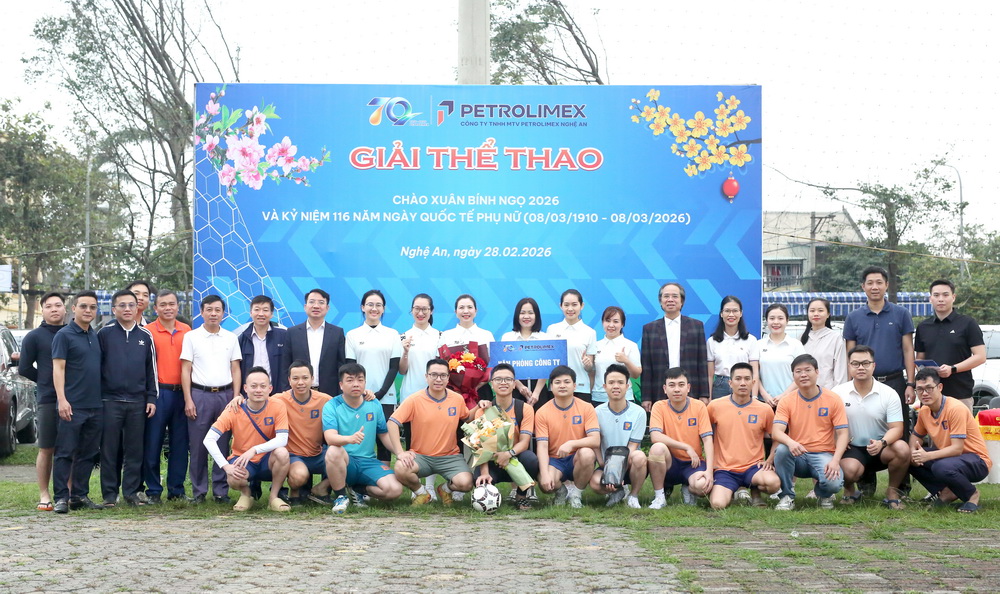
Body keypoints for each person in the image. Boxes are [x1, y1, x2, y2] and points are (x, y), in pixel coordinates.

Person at [388, 358, 479, 505]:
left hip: (449, 457)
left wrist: (480, 406)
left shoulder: (457, 399)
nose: (438, 379)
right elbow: (392, 422)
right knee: (400, 468)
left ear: (448, 378)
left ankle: (444, 489)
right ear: (426, 377)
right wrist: (400, 452)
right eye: (434, 375)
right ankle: (422, 493)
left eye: (443, 375)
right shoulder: (414, 399)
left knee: (466, 484)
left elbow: (467, 418)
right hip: (420, 457)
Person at [98, 289, 157, 508]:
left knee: (135, 450)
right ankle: (109, 494)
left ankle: (131, 492)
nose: (127, 309)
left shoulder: (145, 336)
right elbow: (97, 368)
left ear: (137, 308)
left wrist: (152, 397)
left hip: (137, 402)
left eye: (131, 305)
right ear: (114, 309)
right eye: (122, 305)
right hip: (109, 401)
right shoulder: (104, 334)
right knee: (109, 450)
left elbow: (152, 370)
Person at [181, 294, 242, 504]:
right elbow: (185, 369)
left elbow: (236, 368)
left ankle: (220, 491)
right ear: (201, 312)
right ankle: (199, 492)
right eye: (209, 309)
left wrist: (235, 397)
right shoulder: (191, 337)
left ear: (223, 313)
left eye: (217, 310)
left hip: (225, 396)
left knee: (223, 444)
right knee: (198, 445)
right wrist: (188, 399)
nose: (213, 314)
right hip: (200, 395)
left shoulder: (231, 338)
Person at [832, 346, 910, 510]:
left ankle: (892, 492)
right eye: (855, 364)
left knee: (902, 449)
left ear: (873, 366)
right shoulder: (837, 393)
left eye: (865, 363)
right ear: (849, 366)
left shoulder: (889, 393)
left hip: (881, 446)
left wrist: (882, 443)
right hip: (852, 448)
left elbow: (897, 428)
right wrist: (838, 440)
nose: (861, 367)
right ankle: (850, 490)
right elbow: (828, 424)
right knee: (849, 471)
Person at [203, 367, 291, 512]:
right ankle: (246, 493)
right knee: (233, 478)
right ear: (245, 388)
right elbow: (209, 439)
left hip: (267, 459)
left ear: (270, 389)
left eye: (263, 386)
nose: (258, 390)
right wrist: (225, 466)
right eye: (253, 386)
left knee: (282, 453)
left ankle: (273, 497)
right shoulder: (234, 409)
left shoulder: (278, 405)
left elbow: (282, 439)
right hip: (243, 460)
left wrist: (254, 450)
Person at [323, 362, 405, 513]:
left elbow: (383, 434)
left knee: (394, 490)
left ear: (365, 383)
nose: (356, 384)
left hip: (368, 461)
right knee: (333, 450)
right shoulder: (332, 405)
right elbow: (330, 438)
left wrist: (400, 453)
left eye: (360, 380)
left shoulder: (374, 404)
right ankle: (341, 496)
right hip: (345, 461)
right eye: (350, 380)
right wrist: (349, 439)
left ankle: (359, 490)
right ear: (341, 385)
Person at [772, 354, 849, 511]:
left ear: (817, 372)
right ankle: (787, 496)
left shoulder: (833, 399)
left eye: (808, 370)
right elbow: (776, 432)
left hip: (823, 454)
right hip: (797, 454)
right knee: (782, 450)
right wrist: (791, 442)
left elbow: (843, 433)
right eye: (798, 371)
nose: (803, 375)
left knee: (834, 483)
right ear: (793, 375)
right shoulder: (787, 401)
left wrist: (835, 460)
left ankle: (824, 494)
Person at [909, 368, 992, 513]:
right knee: (907, 457)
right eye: (920, 389)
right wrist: (912, 452)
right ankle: (947, 491)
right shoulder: (924, 411)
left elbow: (957, 449)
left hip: (977, 460)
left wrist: (927, 456)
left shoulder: (955, 408)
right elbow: (916, 436)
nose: (924, 393)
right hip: (950, 458)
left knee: (940, 467)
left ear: (940, 387)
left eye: (929, 388)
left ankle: (972, 495)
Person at [843, 266, 916, 427]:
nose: (874, 287)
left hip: (895, 381)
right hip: (863, 383)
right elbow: (850, 355)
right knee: (863, 427)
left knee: (898, 430)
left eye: (879, 282)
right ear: (863, 286)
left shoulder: (901, 313)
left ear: (886, 285)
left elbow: (908, 350)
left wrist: (911, 384)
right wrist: (850, 385)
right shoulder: (853, 317)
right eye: (870, 283)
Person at [51, 291, 104, 513]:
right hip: (72, 405)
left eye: (92, 307)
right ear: (74, 308)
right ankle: (61, 498)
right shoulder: (63, 335)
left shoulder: (95, 335)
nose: (88, 311)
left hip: (96, 406)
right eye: (83, 306)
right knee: (65, 453)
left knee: (88, 454)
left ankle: (79, 496)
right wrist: (62, 400)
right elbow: (58, 368)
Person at [707, 363, 780, 509]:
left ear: (753, 383)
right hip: (724, 469)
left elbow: (777, 437)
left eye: (747, 379)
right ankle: (730, 490)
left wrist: (769, 460)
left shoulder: (764, 409)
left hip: (753, 467)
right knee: (717, 504)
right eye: (738, 379)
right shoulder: (715, 406)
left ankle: (755, 491)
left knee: (773, 484)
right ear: (730, 383)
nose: (742, 383)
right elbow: (703, 435)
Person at [18, 291, 67, 511]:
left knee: (71, 448)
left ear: (65, 308)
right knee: (47, 447)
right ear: (42, 310)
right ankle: (44, 493)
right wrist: (46, 380)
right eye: (49, 306)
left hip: (75, 398)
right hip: (48, 398)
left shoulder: (74, 332)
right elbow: (24, 368)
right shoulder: (34, 336)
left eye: (58, 305)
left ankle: (69, 492)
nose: (54, 309)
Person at [143, 289, 191, 503]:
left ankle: (176, 490)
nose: (168, 308)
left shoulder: (187, 331)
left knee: (180, 444)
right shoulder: (148, 332)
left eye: (172, 304)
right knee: (153, 443)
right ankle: (153, 491)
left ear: (178, 306)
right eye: (163, 305)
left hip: (182, 393)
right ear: (155, 308)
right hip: (158, 393)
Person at [345, 289, 402, 463]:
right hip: (358, 396)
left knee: (384, 440)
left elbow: (394, 367)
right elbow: (351, 367)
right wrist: (361, 392)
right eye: (370, 304)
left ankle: (384, 474)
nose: (374, 308)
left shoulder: (392, 334)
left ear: (383, 309)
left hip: (386, 396)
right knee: (359, 437)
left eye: (378, 305)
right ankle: (358, 474)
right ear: (363, 307)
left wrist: (379, 393)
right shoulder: (353, 335)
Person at [473, 363, 540, 510]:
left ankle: (521, 496)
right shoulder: (483, 411)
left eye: (508, 379)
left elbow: (524, 442)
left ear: (514, 384)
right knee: (478, 478)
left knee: (531, 460)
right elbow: (480, 447)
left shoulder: (525, 409)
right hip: (491, 460)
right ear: (492, 384)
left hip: (515, 458)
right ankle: (489, 496)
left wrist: (508, 454)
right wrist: (484, 473)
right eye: (498, 379)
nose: (503, 383)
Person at [914, 279, 986, 411]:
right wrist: (926, 371)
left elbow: (980, 356)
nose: (941, 299)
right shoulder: (923, 327)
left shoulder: (968, 323)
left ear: (953, 297)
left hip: (960, 393)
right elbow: (919, 359)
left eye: (945, 295)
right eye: (936, 295)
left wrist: (952, 369)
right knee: (930, 425)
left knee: (960, 425)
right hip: (930, 395)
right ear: (930, 298)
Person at [647, 367, 714, 509]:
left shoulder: (699, 406)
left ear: (688, 388)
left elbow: (707, 439)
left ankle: (688, 487)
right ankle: (660, 497)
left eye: (681, 385)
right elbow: (655, 436)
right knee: (657, 448)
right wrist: (686, 446)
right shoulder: (659, 406)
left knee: (702, 486)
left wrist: (709, 471)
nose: (676, 389)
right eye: (672, 385)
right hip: (670, 463)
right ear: (665, 389)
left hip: (693, 463)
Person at [534, 365, 600, 508]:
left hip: (576, 458)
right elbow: (542, 446)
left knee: (587, 453)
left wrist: (572, 444)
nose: (562, 385)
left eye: (567, 382)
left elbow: (595, 439)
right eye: (557, 382)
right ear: (551, 387)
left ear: (574, 385)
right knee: (546, 484)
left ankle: (576, 494)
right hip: (555, 460)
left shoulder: (586, 407)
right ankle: (561, 492)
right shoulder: (542, 412)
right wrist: (544, 474)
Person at [399, 293, 443, 499]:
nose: (420, 312)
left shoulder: (440, 336)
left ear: (431, 311)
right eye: (416, 308)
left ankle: (431, 486)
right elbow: (402, 370)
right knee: (413, 442)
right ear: (411, 311)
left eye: (425, 309)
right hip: (411, 396)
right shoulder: (404, 336)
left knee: (432, 443)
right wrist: (405, 351)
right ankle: (416, 487)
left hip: (435, 397)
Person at [272, 360, 333, 505]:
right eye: (295, 378)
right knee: (299, 476)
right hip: (294, 456)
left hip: (318, 453)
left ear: (312, 379)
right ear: (289, 380)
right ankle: (294, 492)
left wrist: (366, 394)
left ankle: (321, 489)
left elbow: (347, 403)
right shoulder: (279, 400)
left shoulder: (325, 400)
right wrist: (239, 399)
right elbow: (257, 401)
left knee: (347, 463)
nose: (300, 382)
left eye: (305, 378)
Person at [641, 282, 709, 409]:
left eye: (675, 296)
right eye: (666, 296)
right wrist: (646, 397)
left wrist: (704, 394)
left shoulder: (696, 326)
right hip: (659, 390)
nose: (670, 300)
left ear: (682, 301)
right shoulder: (650, 329)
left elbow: (702, 362)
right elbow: (647, 365)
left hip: (690, 389)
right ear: (660, 301)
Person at [591, 364, 647, 509]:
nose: (616, 386)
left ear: (627, 386)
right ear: (604, 386)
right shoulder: (596, 412)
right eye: (611, 382)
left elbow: (633, 447)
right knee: (595, 483)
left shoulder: (639, 412)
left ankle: (633, 496)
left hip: (630, 463)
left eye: (620, 382)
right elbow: (595, 443)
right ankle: (617, 491)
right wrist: (607, 468)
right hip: (606, 464)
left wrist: (616, 471)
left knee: (640, 456)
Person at [283, 288, 346, 396]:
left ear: (327, 308)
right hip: (298, 394)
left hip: (329, 394)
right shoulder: (292, 332)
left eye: (321, 302)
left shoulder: (337, 333)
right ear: (305, 306)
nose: (316, 306)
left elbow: (342, 365)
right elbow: (285, 365)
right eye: (312, 302)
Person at [545, 290, 598, 404]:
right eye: (566, 305)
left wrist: (588, 364)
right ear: (561, 306)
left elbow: (590, 368)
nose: (570, 309)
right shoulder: (552, 329)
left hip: (580, 388)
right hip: (556, 387)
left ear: (582, 306)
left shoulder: (590, 332)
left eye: (574, 305)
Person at [706, 296, 759, 400]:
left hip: (743, 384)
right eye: (727, 311)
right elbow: (710, 375)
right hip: (720, 386)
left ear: (741, 313)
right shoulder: (712, 341)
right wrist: (709, 398)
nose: (731, 315)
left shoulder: (751, 340)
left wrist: (754, 396)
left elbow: (755, 373)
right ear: (721, 314)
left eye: (735, 311)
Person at [500, 296, 548, 404]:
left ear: (536, 315)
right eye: (522, 313)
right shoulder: (507, 338)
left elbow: (546, 367)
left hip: (539, 390)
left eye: (530, 313)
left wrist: (536, 393)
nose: (526, 316)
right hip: (514, 387)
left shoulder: (544, 338)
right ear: (517, 315)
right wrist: (520, 386)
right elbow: (505, 366)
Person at [238, 295, 289, 394]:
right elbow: (237, 369)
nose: (261, 314)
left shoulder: (283, 336)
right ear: (251, 313)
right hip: (250, 394)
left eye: (265, 310)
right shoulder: (242, 339)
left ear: (272, 314)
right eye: (257, 310)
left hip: (278, 394)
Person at [591, 306, 641, 405]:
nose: (611, 325)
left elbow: (636, 375)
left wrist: (626, 361)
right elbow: (591, 373)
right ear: (602, 323)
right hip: (598, 397)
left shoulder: (630, 345)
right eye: (607, 321)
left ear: (622, 324)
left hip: (624, 397)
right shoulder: (595, 346)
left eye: (616, 321)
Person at [757, 303, 805, 407]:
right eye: (772, 318)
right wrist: (764, 395)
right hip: (764, 402)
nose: (776, 322)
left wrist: (784, 395)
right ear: (766, 321)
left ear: (787, 321)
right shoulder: (759, 345)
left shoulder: (796, 345)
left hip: (790, 402)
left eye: (780, 318)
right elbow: (754, 374)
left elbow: (802, 374)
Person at [800, 297, 847, 391]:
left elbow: (840, 371)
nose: (816, 314)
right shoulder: (801, 338)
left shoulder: (835, 338)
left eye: (820, 310)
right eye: (812, 311)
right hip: (804, 392)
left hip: (828, 392)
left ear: (828, 314)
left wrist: (837, 394)